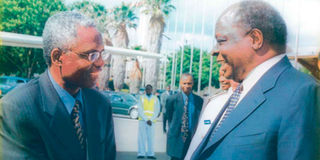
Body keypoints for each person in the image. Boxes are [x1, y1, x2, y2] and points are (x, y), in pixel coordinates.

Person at [190, 1, 320, 160]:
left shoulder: (301, 93)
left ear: (255, 39)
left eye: (222, 41)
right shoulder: (240, 92)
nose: (219, 51)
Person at [0, 11, 116, 159]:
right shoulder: (16, 109)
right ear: (57, 57)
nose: (101, 63)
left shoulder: (101, 105)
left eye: (101, 54)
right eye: (92, 55)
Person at [184, 52, 238, 160]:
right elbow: (198, 139)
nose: (221, 79)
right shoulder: (213, 103)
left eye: (225, 64)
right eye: (220, 66)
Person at [166, 73, 204, 160]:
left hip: (192, 140)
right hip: (176, 139)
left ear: (193, 83)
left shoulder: (199, 101)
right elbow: (169, 117)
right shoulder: (172, 99)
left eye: (189, 83)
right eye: (184, 83)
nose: (187, 86)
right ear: (180, 83)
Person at [137, 84, 160, 159]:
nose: (148, 90)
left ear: (152, 90)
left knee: (151, 138)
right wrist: (147, 119)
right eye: (147, 89)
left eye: (149, 89)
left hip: (152, 122)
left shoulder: (155, 98)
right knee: (142, 137)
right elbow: (140, 109)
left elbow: (157, 110)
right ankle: (141, 153)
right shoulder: (141, 98)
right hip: (143, 121)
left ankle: (150, 154)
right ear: (145, 90)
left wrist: (151, 119)